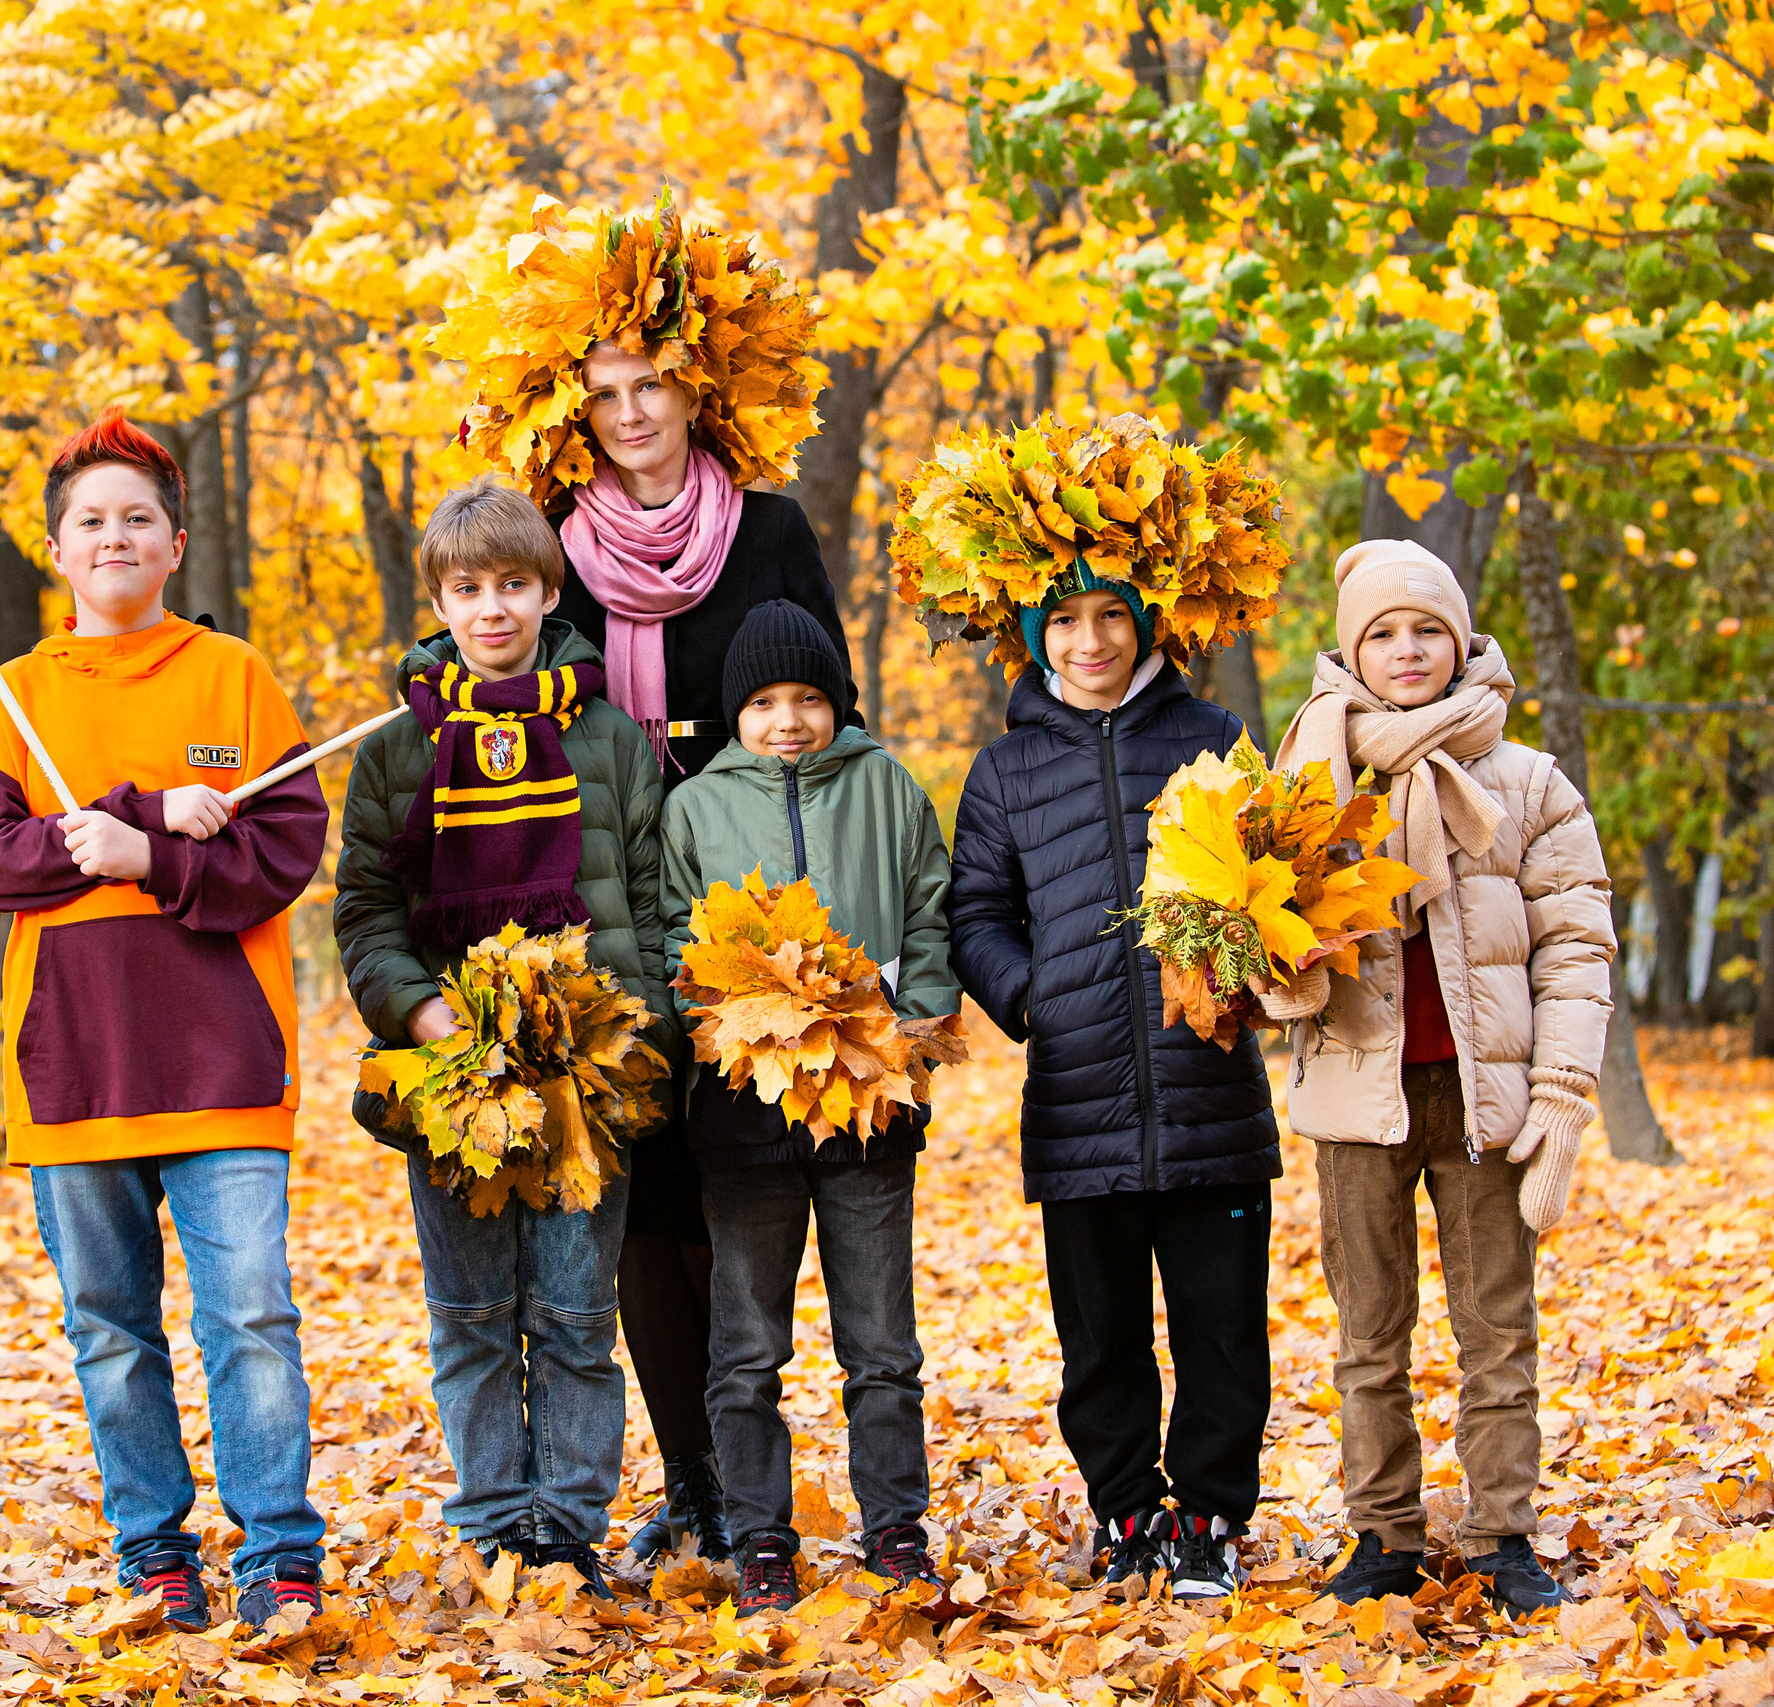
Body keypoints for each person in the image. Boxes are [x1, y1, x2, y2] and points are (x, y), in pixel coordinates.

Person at [0, 412, 331, 1633]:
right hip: (75, 1065)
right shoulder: (16, 694)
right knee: (110, 1332)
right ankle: (154, 1553)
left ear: (174, 544)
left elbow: (284, 853)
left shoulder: (234, 677)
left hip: (224, 1057)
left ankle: (280, 1552)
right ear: (57, 550)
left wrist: (149, 860)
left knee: (251, 1319)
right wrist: (145, 813)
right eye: (89, 520)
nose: (112, 535)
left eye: (137, 517)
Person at [545, 342, 858, 1563]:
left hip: (747, 903)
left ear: (693, 393)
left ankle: (746, 1478)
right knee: (642, 1200)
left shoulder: (768, 532)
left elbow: (833, 713)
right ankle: (690, 1484)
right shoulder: (550, 544)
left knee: (734, 1194)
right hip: (607, 899)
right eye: (604, 395)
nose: (630, 413)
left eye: (651, 386)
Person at [332, 478, 671, 1599]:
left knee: (574, 1313)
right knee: (472, 1313)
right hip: (453, 1074)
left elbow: (652, 900)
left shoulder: (608, 738)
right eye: (469, 588)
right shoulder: (397, 749)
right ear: (438, 600)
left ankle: (564, 1526)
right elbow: (366, 912)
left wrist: (644, 1041)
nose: (493, 609)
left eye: (514, 585)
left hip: (586, 1073)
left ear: (548, 592)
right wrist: (421, 1013)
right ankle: (489, 1523)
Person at [1263, 539, 1612, 1615]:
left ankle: (1503, 1536)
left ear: (1461, 644)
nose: (1407, 649)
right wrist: (1276, 972)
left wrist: (1561, 1093)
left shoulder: (1526, 781)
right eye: (1383, 633)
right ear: (1351, 651)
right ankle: (1383, 1536)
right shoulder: (1310, 778)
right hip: (1356, 1098)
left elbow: (1575, 945)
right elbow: (1259, 939)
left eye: (1428, 630)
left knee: (1497, 1331)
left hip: (1481, 1098)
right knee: (1369, 1336)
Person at [947, 568, 1280, 1600]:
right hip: (1077, 1096)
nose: (1090, 641)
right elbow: (976, 914)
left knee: (1223, 1327)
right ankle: (1129, 1511)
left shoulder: (1214, 738)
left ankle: (1211, 1518)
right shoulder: (1004, 770)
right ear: (1033, 635)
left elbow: (1276, 875)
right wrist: (1035, 995)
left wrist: (1243, 973)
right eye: (1064, 621)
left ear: (1144, 626)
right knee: (1100, 1338)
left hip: (1209, 1090)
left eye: (1110, 618)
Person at [658, 602, 954, 1614]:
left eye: (808, 700)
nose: (787, 721)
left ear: (838, 704)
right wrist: (725, 1022)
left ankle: (897, 1529)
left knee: (882, 1345)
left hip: (870, 1108)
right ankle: (760, 1539)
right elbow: (673, 938)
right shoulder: (696, 808)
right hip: (745, 1115)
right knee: (746, 1348)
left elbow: (930, 910)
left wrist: (910, 1030)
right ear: (735, 714)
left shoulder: (886, 787)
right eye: (764, 704)